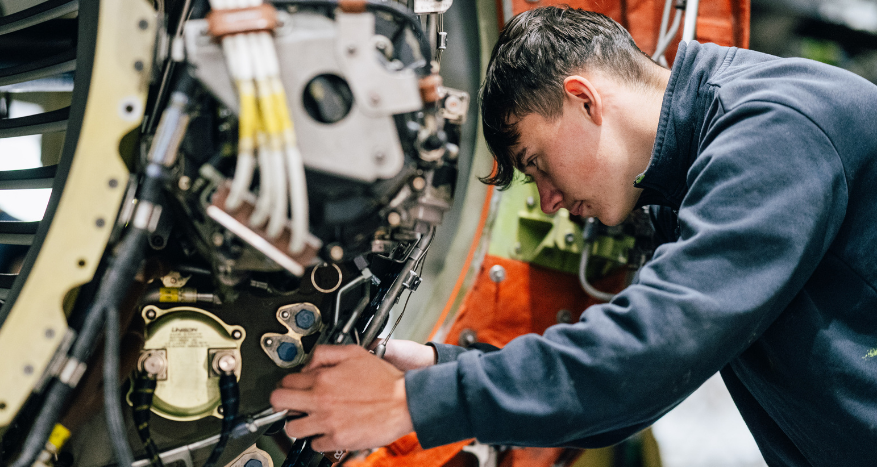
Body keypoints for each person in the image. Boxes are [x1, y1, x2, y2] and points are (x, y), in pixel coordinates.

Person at [270, 6, 877, 465]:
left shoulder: (774, 128)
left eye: (535, 164)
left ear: (584, 99)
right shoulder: (685, 181)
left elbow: (649, 352)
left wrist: (410, 405)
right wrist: (435, 367)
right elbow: (629, 394)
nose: (549, 201)